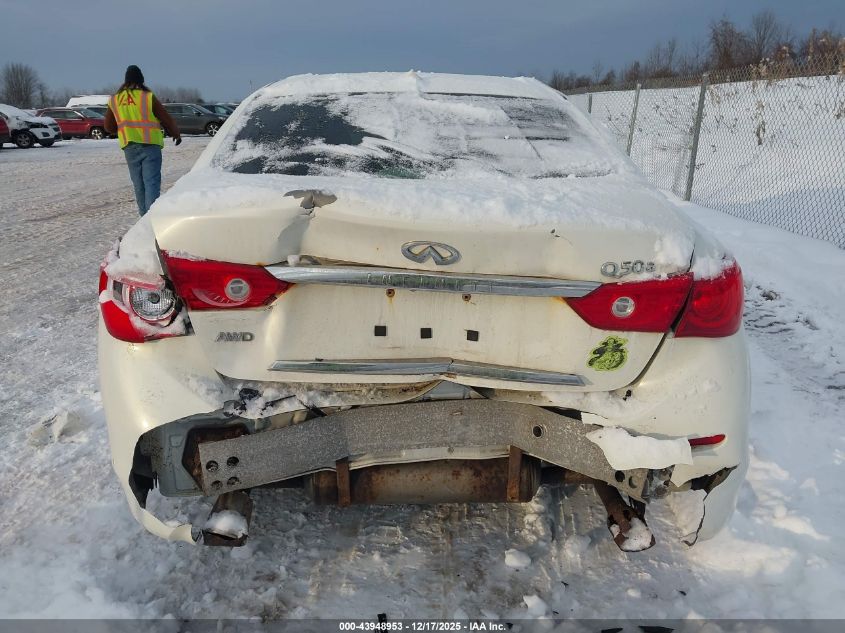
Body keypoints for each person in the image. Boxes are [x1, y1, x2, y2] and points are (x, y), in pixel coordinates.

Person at [104, 65, 182, 216]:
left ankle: (143, 220)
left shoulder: (115, 100)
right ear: (141, 80)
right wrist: (176, 134)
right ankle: (151, 221)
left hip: (129, 147)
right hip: (150, 146)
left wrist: (123, 128)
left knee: (139, 185)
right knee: (151, 183)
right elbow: (166, 119)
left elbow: (108, 127)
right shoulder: (147, 96)